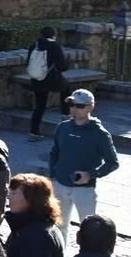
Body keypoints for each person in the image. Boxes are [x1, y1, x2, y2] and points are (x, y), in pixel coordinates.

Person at [49, 89, 119, 236]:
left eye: (79, 106)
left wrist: (91, 174)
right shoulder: (63, 127)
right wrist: (53, 175)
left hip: (84, 189)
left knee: (88, 229)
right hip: (60, 185)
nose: (74, 109)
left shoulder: (100, 134)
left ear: (91, 107)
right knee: (58, 227)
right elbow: (54, 152)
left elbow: (112, 162)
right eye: (72, 104)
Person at [25, 26, 69, 141]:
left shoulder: (34, 45)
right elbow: (62, 66)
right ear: (54, 35)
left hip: (36, 79)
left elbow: (28, 62)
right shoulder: (55, 46)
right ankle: (65, 114)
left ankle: (34, 132)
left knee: (39, 106)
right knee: (66, 89)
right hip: (52, 79)